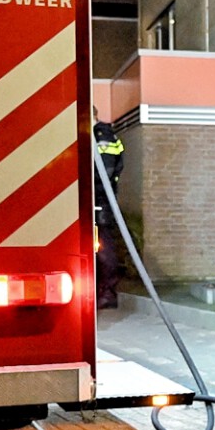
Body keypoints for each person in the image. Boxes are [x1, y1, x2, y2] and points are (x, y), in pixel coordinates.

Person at [91, 107, 126, 309]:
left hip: (101, 199)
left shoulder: (102, 136)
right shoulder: (98, 135)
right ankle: (101, 291)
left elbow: (105, 170)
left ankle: (108, 293)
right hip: (96, 198)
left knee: (104, 247)